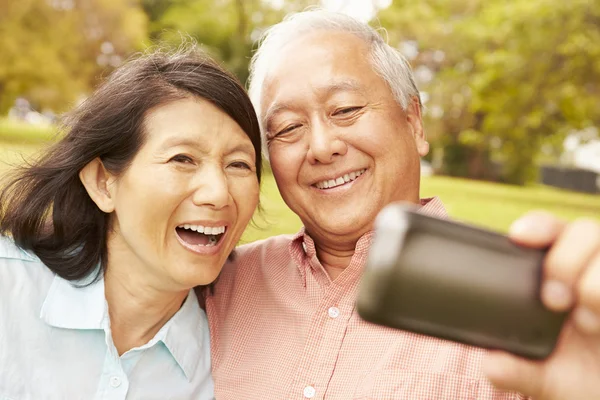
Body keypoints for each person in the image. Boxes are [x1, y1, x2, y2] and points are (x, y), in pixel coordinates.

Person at [204, 9, 600, 400]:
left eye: (345, 110)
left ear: (414, 123)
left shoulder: (530, 304)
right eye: (288, 128)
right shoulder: (220, 283)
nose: (322, 147)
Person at [0, 46, 261, 399]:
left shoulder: (228, 373)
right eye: (182, 158)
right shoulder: (9, 292)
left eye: (239, 164)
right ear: (103, 182)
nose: (218, 194)